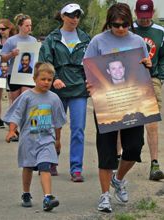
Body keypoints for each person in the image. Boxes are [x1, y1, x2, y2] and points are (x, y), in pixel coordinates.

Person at [84, 3, 152, 213]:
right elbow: (87, 66)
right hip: (106, 101)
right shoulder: (98, 41)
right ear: (109, 22)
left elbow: (144, 66)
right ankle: (104, 196)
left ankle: (118, 178)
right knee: (106, 149)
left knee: (134, 147)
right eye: (116, 25)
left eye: (124, 25)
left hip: (133, 99)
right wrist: (89, 82)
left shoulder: (137, 40)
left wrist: (148, 64)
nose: (121, 29)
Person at [4, 62, 66, 211]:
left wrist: (57, 140)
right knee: (28, 166)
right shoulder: (27, 96)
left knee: (45, 166)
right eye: (43, 79)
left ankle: (48, 197)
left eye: (49, 80)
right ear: (34, 79)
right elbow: (16, 114)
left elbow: (58, 122)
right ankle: (26, 193)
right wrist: (12, 130)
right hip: (28, 139)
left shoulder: (54, 99)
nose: (46, 82)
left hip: (46, 139)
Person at [39, 3, 90, 180]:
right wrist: (54, 79)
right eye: (71, 15)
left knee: (78, 130)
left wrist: (89, 78)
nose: (74, 18)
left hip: (79, 90)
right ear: (62, 16)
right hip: (56, 90)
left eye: (77, 15)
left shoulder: (86, 38)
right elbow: (44, 64)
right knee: (52, 127)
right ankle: (51, 161)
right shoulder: (52, 39)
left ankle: (76, 169)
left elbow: (91, 63)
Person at [133, 0, 164, 181]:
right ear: (136, 13)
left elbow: (162, 57)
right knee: (125, 120)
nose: (144, 20)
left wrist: (159, 76)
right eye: (141, 16)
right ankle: (118, 158)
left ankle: (154, 163)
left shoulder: (160, 32)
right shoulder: (128, 28)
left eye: (147, 16)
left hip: (152, 78)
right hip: (130, 79)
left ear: (152, 13)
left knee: (152, 122)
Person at [0, 14, 37, 103]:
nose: (29, 28)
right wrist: (11, 54)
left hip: (28, 75)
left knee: (25, 100)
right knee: (15, 102)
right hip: (14, 75)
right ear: (20, 26)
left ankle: (25, 117)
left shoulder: (34, 40)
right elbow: (3, 58)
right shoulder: (11, 40)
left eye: (30, 25)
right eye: (27, 25)